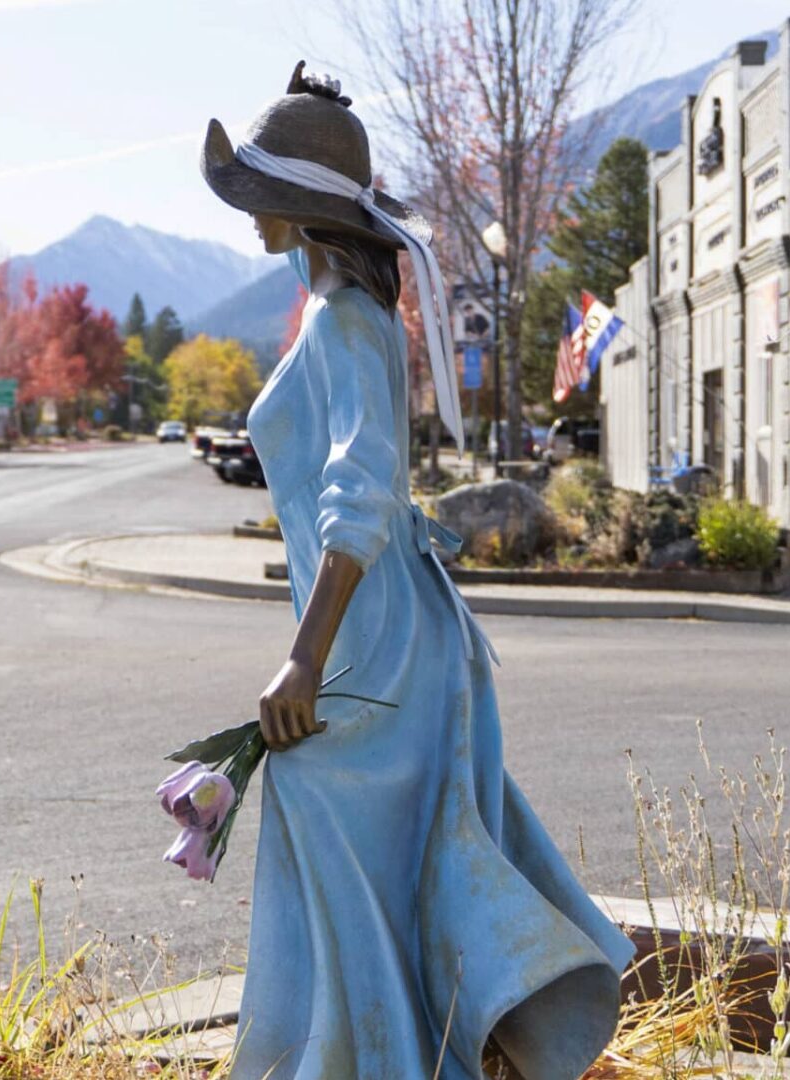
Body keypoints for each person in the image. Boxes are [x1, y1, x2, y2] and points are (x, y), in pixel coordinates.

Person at [200, 62, 634, 1080]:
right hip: (378, 627)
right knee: (367, 851)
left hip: (375, 642)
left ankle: (372, 1057)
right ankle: (386, 1052)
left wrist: (305, 659)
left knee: (322, 812)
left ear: (304, 211)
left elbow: (359, 491)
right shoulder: (337, 313)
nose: (251, 218)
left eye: (265, 197)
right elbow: (375, 492)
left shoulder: (349, 319)